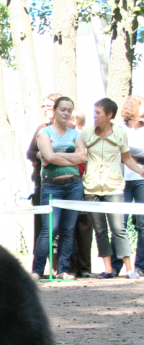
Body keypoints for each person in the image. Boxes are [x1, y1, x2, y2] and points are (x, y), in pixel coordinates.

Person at [81, 97, 144, 279]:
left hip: (126, 183)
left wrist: (138, 167)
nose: (94, 116)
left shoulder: (120, 134)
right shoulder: (94, 133)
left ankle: (134, 267)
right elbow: (80, 154)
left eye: (97, 112)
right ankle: (110, 268)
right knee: (106, 227)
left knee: (128, 226)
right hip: (104, 184)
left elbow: (126, 155)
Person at [31, 97, 87, 280]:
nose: (66, 113)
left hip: (74, 185)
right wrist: (69, 157)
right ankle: (37, 270)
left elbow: (82, 157)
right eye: (63, 109)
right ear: (54, 110)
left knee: (68, 229)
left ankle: (63, 270)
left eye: (69, 110)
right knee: (50, 228)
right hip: (51, 185)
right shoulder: (44, 133)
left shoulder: (76, 134)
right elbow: (47, 156)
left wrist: (56, 156)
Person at [27, 93, 61, 245]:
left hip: (64, 183)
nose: (45, 109)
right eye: (44, 106)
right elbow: (30, 153)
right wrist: (43, 154)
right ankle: (39, 264)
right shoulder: (42, 129)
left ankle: (65, 265)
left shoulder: (70, 131)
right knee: (42, 225)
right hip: (43, 183)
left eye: (49, 106)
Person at [66, 107, 93, 278]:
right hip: (68, 185)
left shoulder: (85, 139)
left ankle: (84, 266)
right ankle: (71, 266)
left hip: (85, 185)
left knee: (84, 227)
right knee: (69, 226)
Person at [120, 95, 144, 280]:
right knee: (118, 224)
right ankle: (114, 265)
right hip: (122, 181)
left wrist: (130, 153)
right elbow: (121, 150)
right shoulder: (119, 129)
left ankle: (141, 266)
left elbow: (127, 151)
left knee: (142, 224)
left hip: (141, 180)